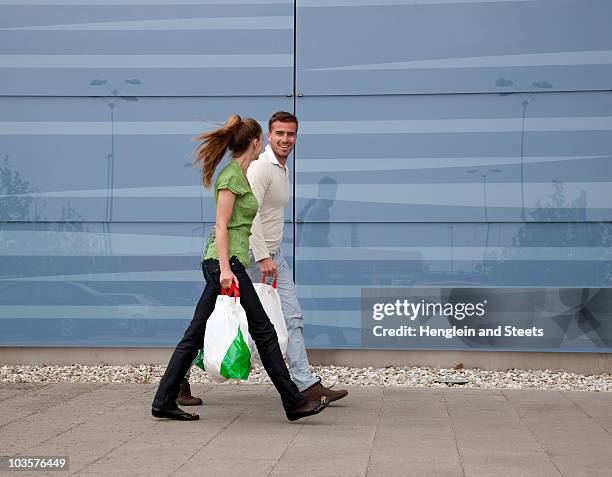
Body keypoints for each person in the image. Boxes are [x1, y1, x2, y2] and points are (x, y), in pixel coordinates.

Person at [151, 115, 329, 421]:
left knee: (195, 335)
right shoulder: (231, 177)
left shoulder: (243, 175)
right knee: (264, 330)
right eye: (266, 138)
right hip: (225, 263)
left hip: (230, 262)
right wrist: (225, 269)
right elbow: (221, 226)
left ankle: (163, 399)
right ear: (257, 142)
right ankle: (294, 401)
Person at [184, 111, 348, 405]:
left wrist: (270, 253)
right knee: (219, 319)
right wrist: (260, 256)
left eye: (291, 134)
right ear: (268, 137)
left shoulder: (280, 168)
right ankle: (180, 380)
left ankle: (305, 383)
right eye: (279, 134)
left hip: (274, 254)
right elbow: (250, 214)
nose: (286, 140)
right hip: (249, 255)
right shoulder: (260, 167)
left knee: (292, 316)